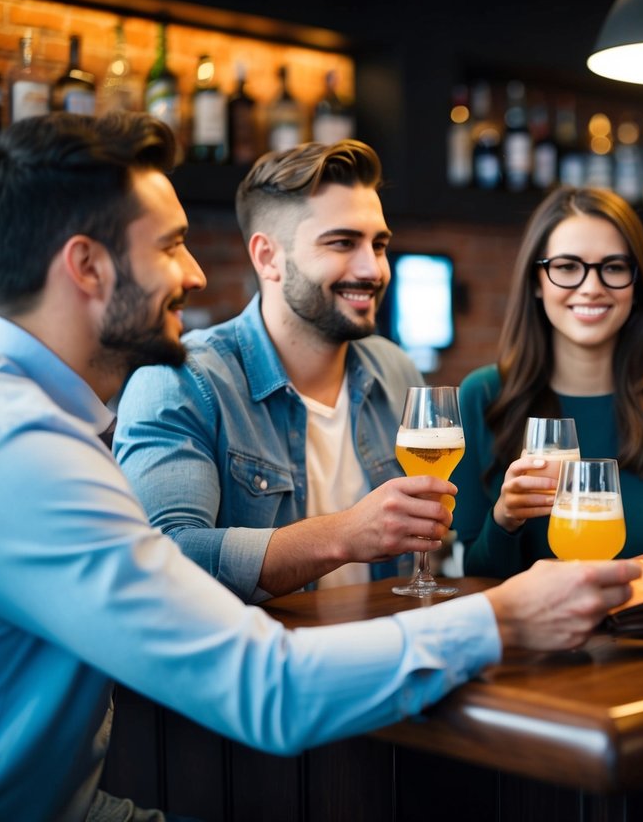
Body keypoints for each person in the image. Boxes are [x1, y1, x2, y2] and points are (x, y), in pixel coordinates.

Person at [0, 112, 640, 821]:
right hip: (232, 758)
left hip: (385, 727)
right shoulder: (32, 444)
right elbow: (259, 678)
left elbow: (435, 560)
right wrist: (497, 615)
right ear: (86, 266)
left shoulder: (391, 370)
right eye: (171, 246)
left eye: (379, 244)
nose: (196, 272)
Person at [114, 139, 442, 601]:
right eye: (343, 243)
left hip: (387, 657)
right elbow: (164, 557)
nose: (373, 268)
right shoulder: (180, 380)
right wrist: (344, 535)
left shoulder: (395, 369)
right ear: (268, 257)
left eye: (380, 244)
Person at [452, 186, 643, 589]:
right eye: (567, 266)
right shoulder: (482, 395)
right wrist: (505, 519)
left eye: (614, 267)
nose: (591, 287)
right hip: (528, 650)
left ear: (636, 283)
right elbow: (476, 578)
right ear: (537, 281)